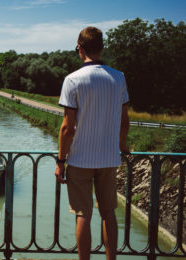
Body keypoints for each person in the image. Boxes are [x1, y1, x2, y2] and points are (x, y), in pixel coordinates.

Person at [54, 27, 130, 260]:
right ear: (102, 47)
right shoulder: (119, 77)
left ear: (81, 48)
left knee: (82, 214)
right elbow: (124, 119)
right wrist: (122, 145)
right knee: (108, 213)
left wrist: (61, 161)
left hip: (80, 159)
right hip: (108, 158)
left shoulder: (72, 80)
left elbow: (67, 127)